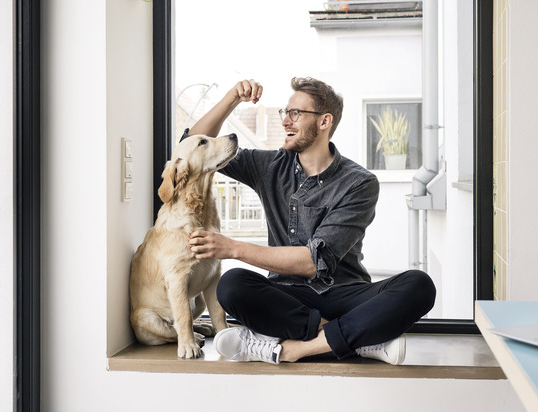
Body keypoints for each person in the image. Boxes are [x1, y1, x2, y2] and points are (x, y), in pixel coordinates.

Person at [185, 77, 436, 365]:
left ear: (324, 121)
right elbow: (191, 145)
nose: (286, 122)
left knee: (419, 285)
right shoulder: (269, 167)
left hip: (344, 294)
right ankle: (356, 341)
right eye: (285, 113)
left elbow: (311, 262)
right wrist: (232, 97)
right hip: (286, 299)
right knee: (230, 285)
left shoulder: (360, 183)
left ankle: (292, 349)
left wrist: (232, 248)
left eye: (296, 114)